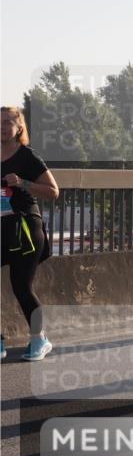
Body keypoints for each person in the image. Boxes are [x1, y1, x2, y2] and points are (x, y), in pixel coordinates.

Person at [1, 106, 58, 361]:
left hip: (24, 228)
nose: (1, 127)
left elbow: (53, 191)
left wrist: (23, 183)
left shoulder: (27, 156)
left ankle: (39, 339)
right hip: (1, 228)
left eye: (7, 122)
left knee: (21, 286)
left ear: (19, 128)